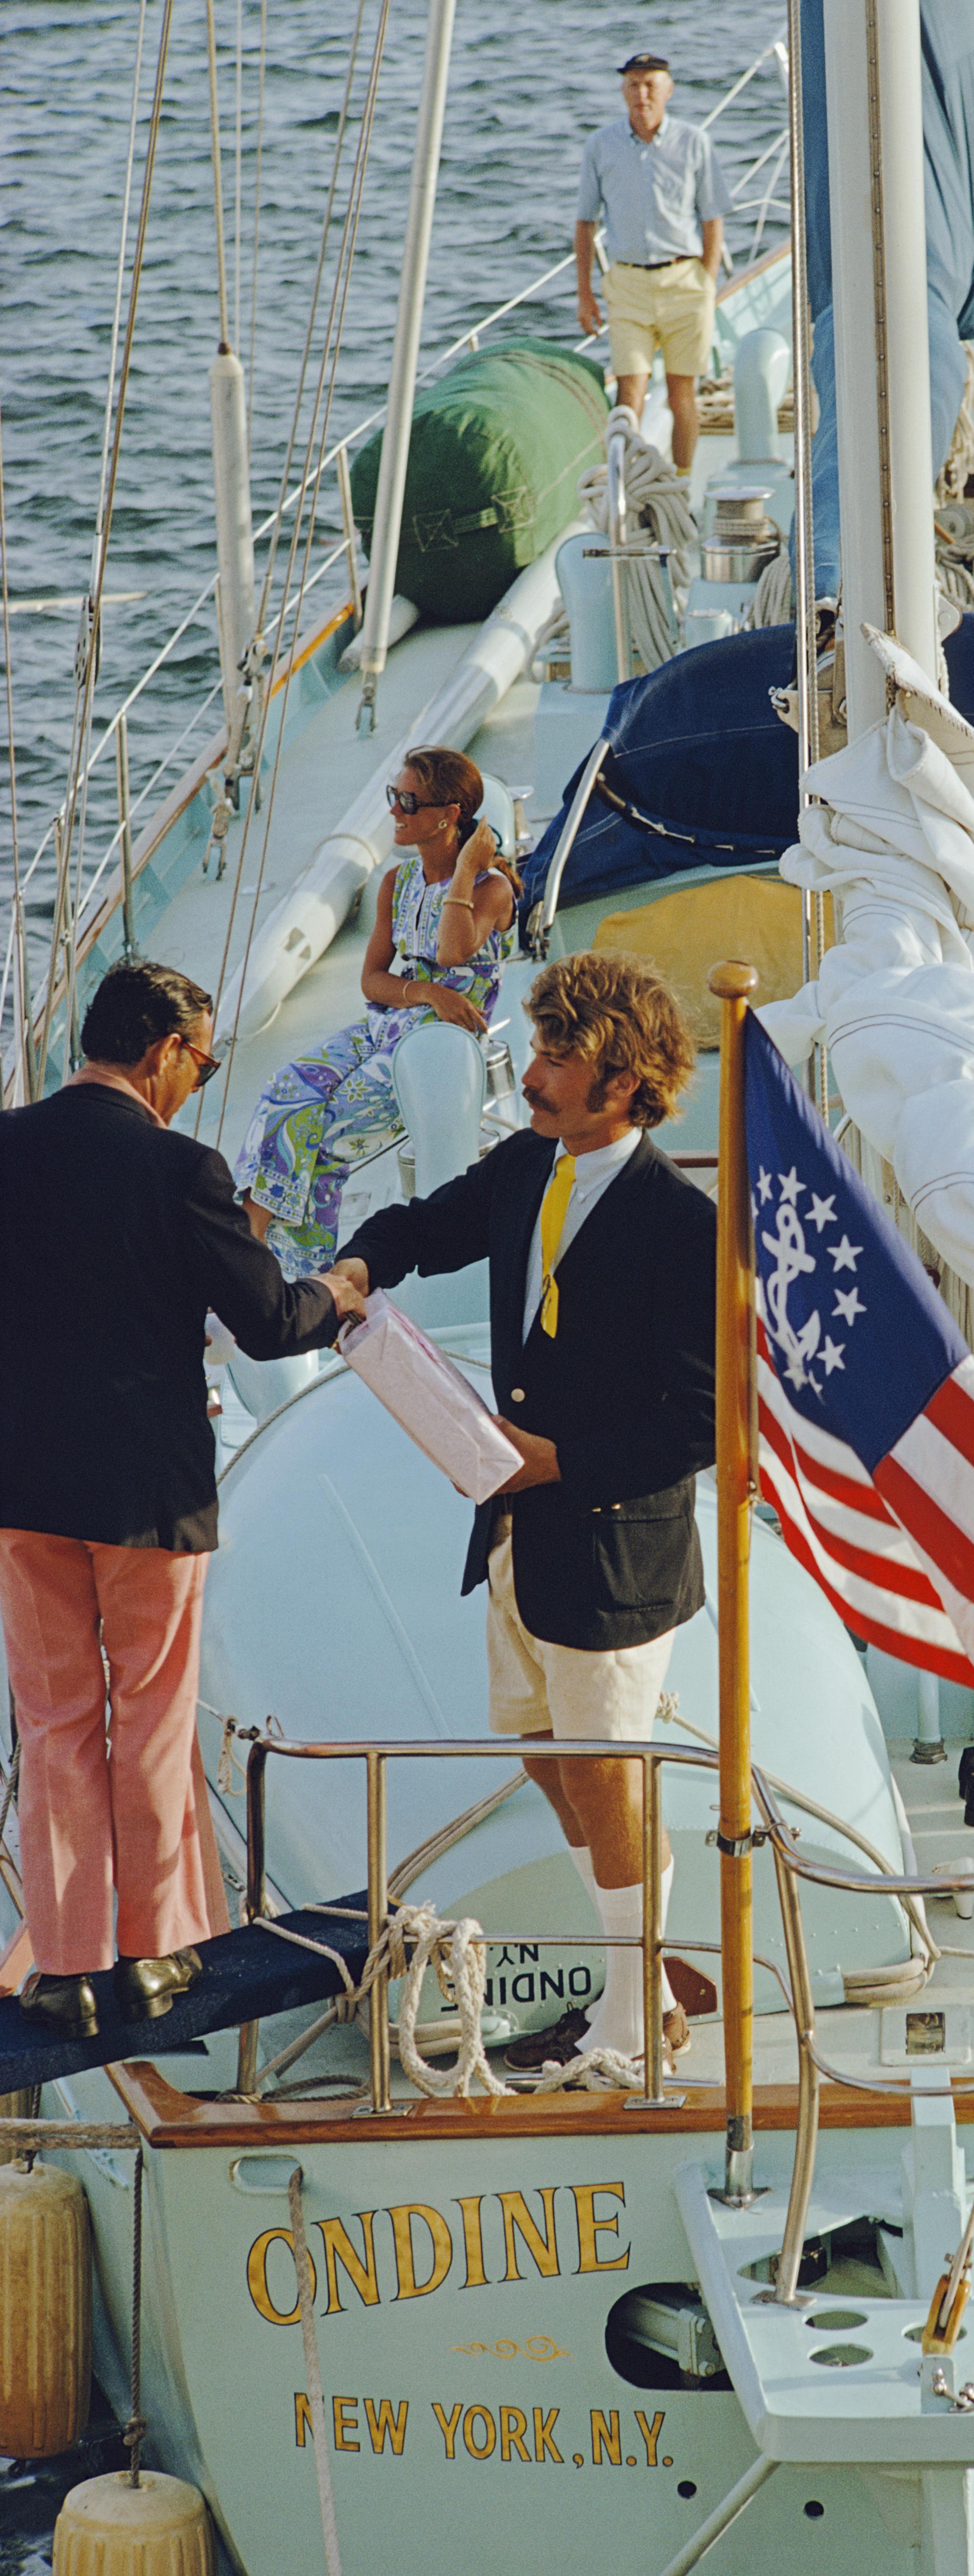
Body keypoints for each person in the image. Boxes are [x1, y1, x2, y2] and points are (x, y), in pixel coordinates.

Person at [331, 952, 716, 2073]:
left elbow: (698, 1423)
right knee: (552, 1763)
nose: (536, 1073)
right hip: (520, 1537)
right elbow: (424, 1225)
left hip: (613, 1549)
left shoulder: (676, 1223)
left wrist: (558, 1463)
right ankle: (648, 1987)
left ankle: (638, 2020)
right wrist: (359, 1266)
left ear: (626, 1080)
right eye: (541, 1050)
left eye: (561, 1057)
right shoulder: (527, 1167)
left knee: (607, 1771)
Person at [0, 963, 361, 2039]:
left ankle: (64, 1966)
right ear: (162, 1050)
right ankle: (156, 1956)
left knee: (55, 1721)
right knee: (150, 1717)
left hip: (22, 1484)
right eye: (200, 1062)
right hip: (149, 1491)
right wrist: (338, 1291)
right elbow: (267, 1323)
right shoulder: (180, 1170)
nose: (198, 1082)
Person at [234, 747, 515, 1277]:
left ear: (450, 815)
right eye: (395, 797)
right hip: (388, 1025)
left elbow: (455, 951)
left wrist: (466, 869)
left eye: (409, 801)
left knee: (325, 1132)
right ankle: (260, 1246)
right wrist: (429, 992)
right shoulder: (396, 884)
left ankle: (269, 1262)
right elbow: (373, 981)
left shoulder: (491, 888)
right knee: (284, 1090)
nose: (395, 812)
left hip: (437, 1045)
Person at [575, 52, 731, 475]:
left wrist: (707, 282)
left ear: (668, 90)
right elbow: (585, 223)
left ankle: (681, 482)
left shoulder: (694, 142)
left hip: (685, 281)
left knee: (683, 395)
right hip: (627, 285)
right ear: (623, 91)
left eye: (650, 85)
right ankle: (628, 485)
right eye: (633, 84)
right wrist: (586, 294)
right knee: (630, 394)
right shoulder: (600, 146)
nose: (641, 94)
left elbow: (712, 217)